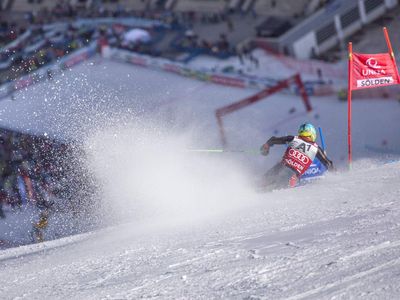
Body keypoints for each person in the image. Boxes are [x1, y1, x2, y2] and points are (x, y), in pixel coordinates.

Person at [259, 123, 334, 190]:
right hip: (291, 175)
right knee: (274, 190)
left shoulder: (293, 138)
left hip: (280, 168)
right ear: (312, 134)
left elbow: (273, 140)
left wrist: (266, 146)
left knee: (260, 185)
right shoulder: (316, 148)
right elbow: (328, 164)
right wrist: (337, 176)